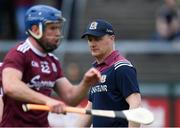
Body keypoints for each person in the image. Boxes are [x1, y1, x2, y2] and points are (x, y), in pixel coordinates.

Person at [0, 5, 101, 127]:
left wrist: (85, 83)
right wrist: (47, 100)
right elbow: (11, 86)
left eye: (59, 28)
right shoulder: (19, 54)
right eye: (52, 28)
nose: (58, 33)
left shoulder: (52, 61)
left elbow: (71, 97)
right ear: (35, 29)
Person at [78, 19, 142, 127]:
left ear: (112, 39)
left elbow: (135, 104)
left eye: (97, 39)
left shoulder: (122, 67)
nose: (92, 44)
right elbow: (90, 109)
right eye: (90, 39)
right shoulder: (96, 70)